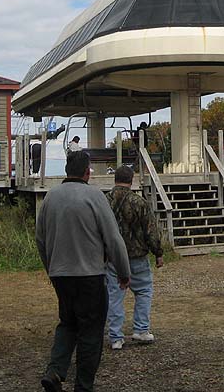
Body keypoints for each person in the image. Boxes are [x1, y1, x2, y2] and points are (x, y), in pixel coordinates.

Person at [36, 151, 131, 392]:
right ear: (87, 171)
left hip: (60, 274)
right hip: (90, 275)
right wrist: (123, 271)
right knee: (91, 330)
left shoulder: (50, 197)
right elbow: (113, 238)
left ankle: (55, 371)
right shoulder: (94, 196)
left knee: (67, 323)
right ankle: (83, 385)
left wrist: (51, 268)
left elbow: (40, 239)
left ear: (67, 169)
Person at [105, 165, 164, 351]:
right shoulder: (139, 203)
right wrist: (158, 252)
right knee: (144, 290)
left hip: (113, 257)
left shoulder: (104, 201)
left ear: (115, 179)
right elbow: (150, 231)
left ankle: (115, 337)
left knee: (114, 296)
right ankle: (141, 329)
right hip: (137, 255)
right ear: (132, 180)